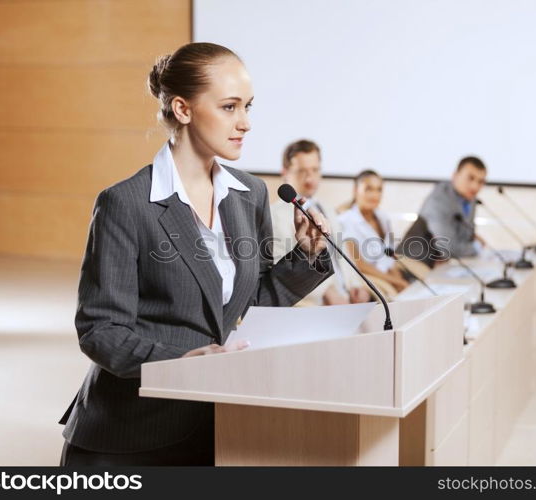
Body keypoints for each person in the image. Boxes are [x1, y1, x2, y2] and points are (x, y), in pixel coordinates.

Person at [57, 42, 333, 466]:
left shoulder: (250, 194)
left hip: (217, 423)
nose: (245, 123)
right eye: (229, 107)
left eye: (248, 107)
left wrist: (306, 255)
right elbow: (101, 330)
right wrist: (182, 362)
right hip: (132, 432)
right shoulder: (126, 203)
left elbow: (248, 305)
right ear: (183, 110)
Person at [270, 139, 370, 305]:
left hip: (348, 301)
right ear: (285, 172)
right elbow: (280, 269)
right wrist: (325, 291)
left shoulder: (327, 208)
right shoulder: (275, 215)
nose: (309, 178)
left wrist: (357, 286)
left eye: (315, 170)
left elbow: (342, 255)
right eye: (301, 171)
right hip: (314, 304)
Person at [338, 170, 409, 293]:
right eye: (368, 189)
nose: (374, 195)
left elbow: (389, 257)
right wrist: (395, 281)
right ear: (355, 191)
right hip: (367, 280)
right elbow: (360, 264)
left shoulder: (383, 217)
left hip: (387, 277)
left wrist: (398, 278)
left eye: (379, 190)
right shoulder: (345, 221)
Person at [418, 156, 487, 259]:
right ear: (455, 176)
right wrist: (476, 246)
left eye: (480, 182)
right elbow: (449, 249)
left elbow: (468, 236)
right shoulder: (438, 201)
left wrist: (472, 242)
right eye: (470, 178)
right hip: (421, 266)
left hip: (448, 265)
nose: (475, 186)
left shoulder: (469, 198)